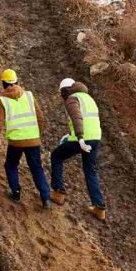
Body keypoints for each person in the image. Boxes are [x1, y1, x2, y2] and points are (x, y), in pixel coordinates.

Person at [0, 68, 51, 209]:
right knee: (36, 167)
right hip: (33, 139)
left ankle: (16, 192)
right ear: (17, 81)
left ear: (3, 84)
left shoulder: (2, 100)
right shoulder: (29, 95)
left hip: (16, 141)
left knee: (11, 165)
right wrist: (37, 134)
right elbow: (40, 117)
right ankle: (46, 197)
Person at [50, 78, 106, 221]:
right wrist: (70, 135)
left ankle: (58, 192)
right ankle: (99, 208)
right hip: (95, 138)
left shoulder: (72, 98)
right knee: (90, 170)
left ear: (65, 90)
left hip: (82, 138)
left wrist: (79, 137)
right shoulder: (88, 98)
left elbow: (77, 118)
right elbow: (88, 120)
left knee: (56, 156)